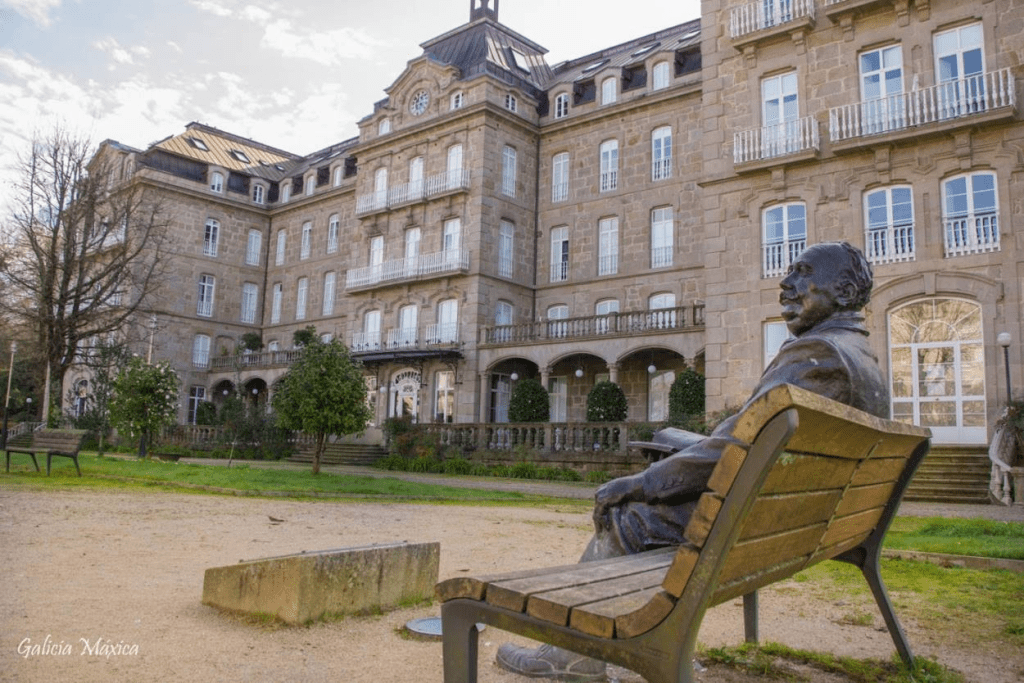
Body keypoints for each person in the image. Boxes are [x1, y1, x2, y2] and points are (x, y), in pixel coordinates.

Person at [497, 241, 890, 680]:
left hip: (746, 525)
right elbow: (751, 440)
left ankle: (572, 655)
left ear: (845, 291)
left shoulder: (819, 355)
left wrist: (641, 481)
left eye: (803, 272)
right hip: (795, 524)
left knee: (628, 515)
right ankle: (631, 642)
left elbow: (737, 446)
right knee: (668, 456)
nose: (786, 283)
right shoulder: (861, 358)